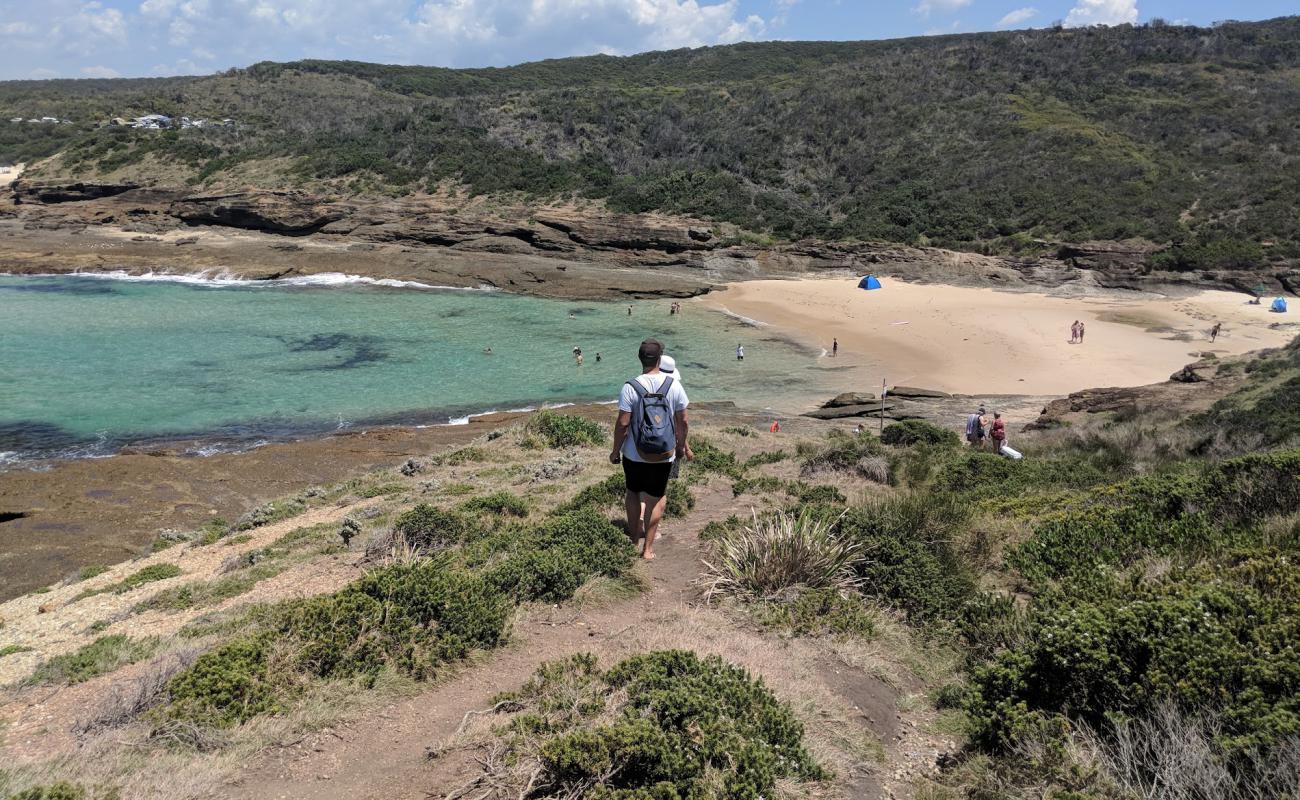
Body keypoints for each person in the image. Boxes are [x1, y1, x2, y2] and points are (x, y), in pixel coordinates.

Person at [611, 339, 692, 560]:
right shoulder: (674, 385)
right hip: (664, 455)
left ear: (639, 358)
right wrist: (680, 446)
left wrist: (615, 450)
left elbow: (623, 424)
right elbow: (683, 420)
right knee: (656, 497)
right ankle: (647, 550)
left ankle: (633, 538)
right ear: (659, 359)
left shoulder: (630, 386)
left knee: (633, 493)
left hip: (634, 454)